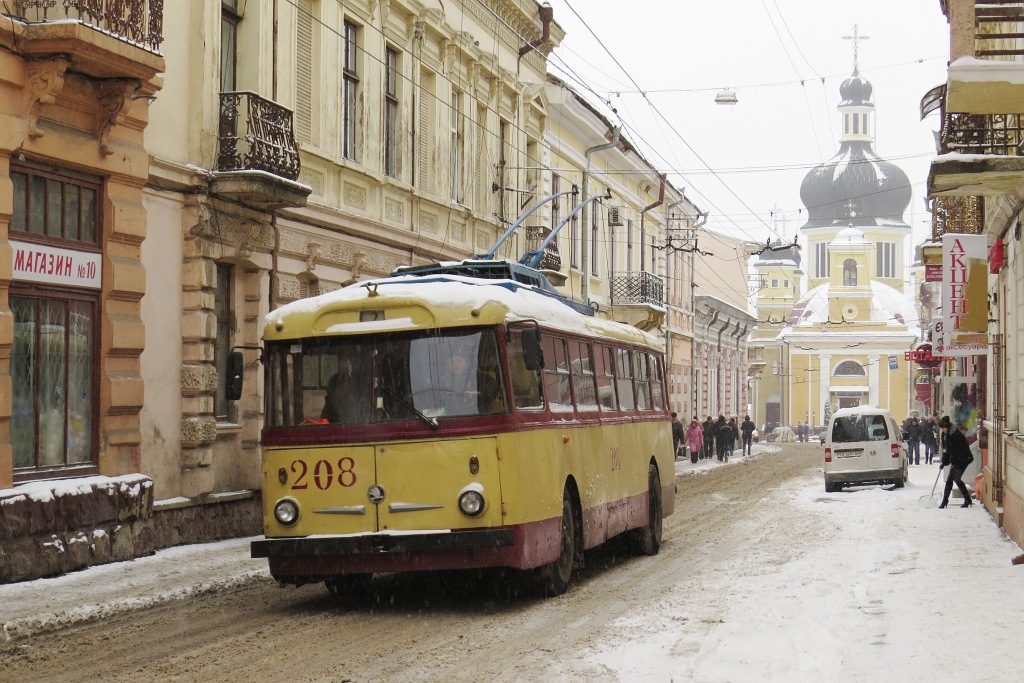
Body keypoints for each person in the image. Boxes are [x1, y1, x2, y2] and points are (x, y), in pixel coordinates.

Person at [938, 415, 975, 508]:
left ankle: (966, 499)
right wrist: (944, 462)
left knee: (956, 478)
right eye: (941, 428)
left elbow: (957, 450)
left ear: (948, 427)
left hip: (963, 458)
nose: (942, 430)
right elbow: (946, 450)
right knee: (950, 479)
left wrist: (952, 460)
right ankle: (946, 501)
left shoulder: (956, 435)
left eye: (943, 428)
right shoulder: (945, 435)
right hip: (956, 459)